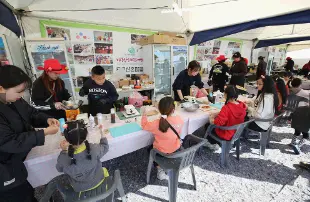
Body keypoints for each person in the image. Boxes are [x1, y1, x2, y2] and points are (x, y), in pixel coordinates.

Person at [0, 65, 59, 202]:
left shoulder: (15, 99)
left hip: (20, 158)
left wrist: (46, 119)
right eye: (18, 92)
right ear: (1, 88)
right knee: (18, 195)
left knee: (28, 190)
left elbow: (31, 113)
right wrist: (43, 133)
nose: (21, 95)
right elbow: (10, 141)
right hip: (5, 169)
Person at [40, 120, 110, 201]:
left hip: (79, 188)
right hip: (99, 180)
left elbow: (59, 169)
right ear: (86, 136)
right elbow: (105, 147)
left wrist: (64, 151)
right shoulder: (94, 149)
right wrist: (102, 133)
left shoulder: (64, 158)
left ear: (66, 139)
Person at [141, 97, 184, 180]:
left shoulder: (156, 123)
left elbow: (144, 125)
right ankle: (166, 166)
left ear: (159, 109)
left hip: (161, 153)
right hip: (175, 150)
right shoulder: (179, 119)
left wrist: (144, 114)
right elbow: (178, 133)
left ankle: (160, 169)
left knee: (150, 149)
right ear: (173, 109)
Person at [202, 85, 247, 149]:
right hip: (237, 132)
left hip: (226, 134)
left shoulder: (226, 108)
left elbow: (218, 123)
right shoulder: (242, 105)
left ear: (226, 95)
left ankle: (213, 143)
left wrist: (211, 118)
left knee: (208, 125)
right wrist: (218, 113)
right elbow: (231, 113)